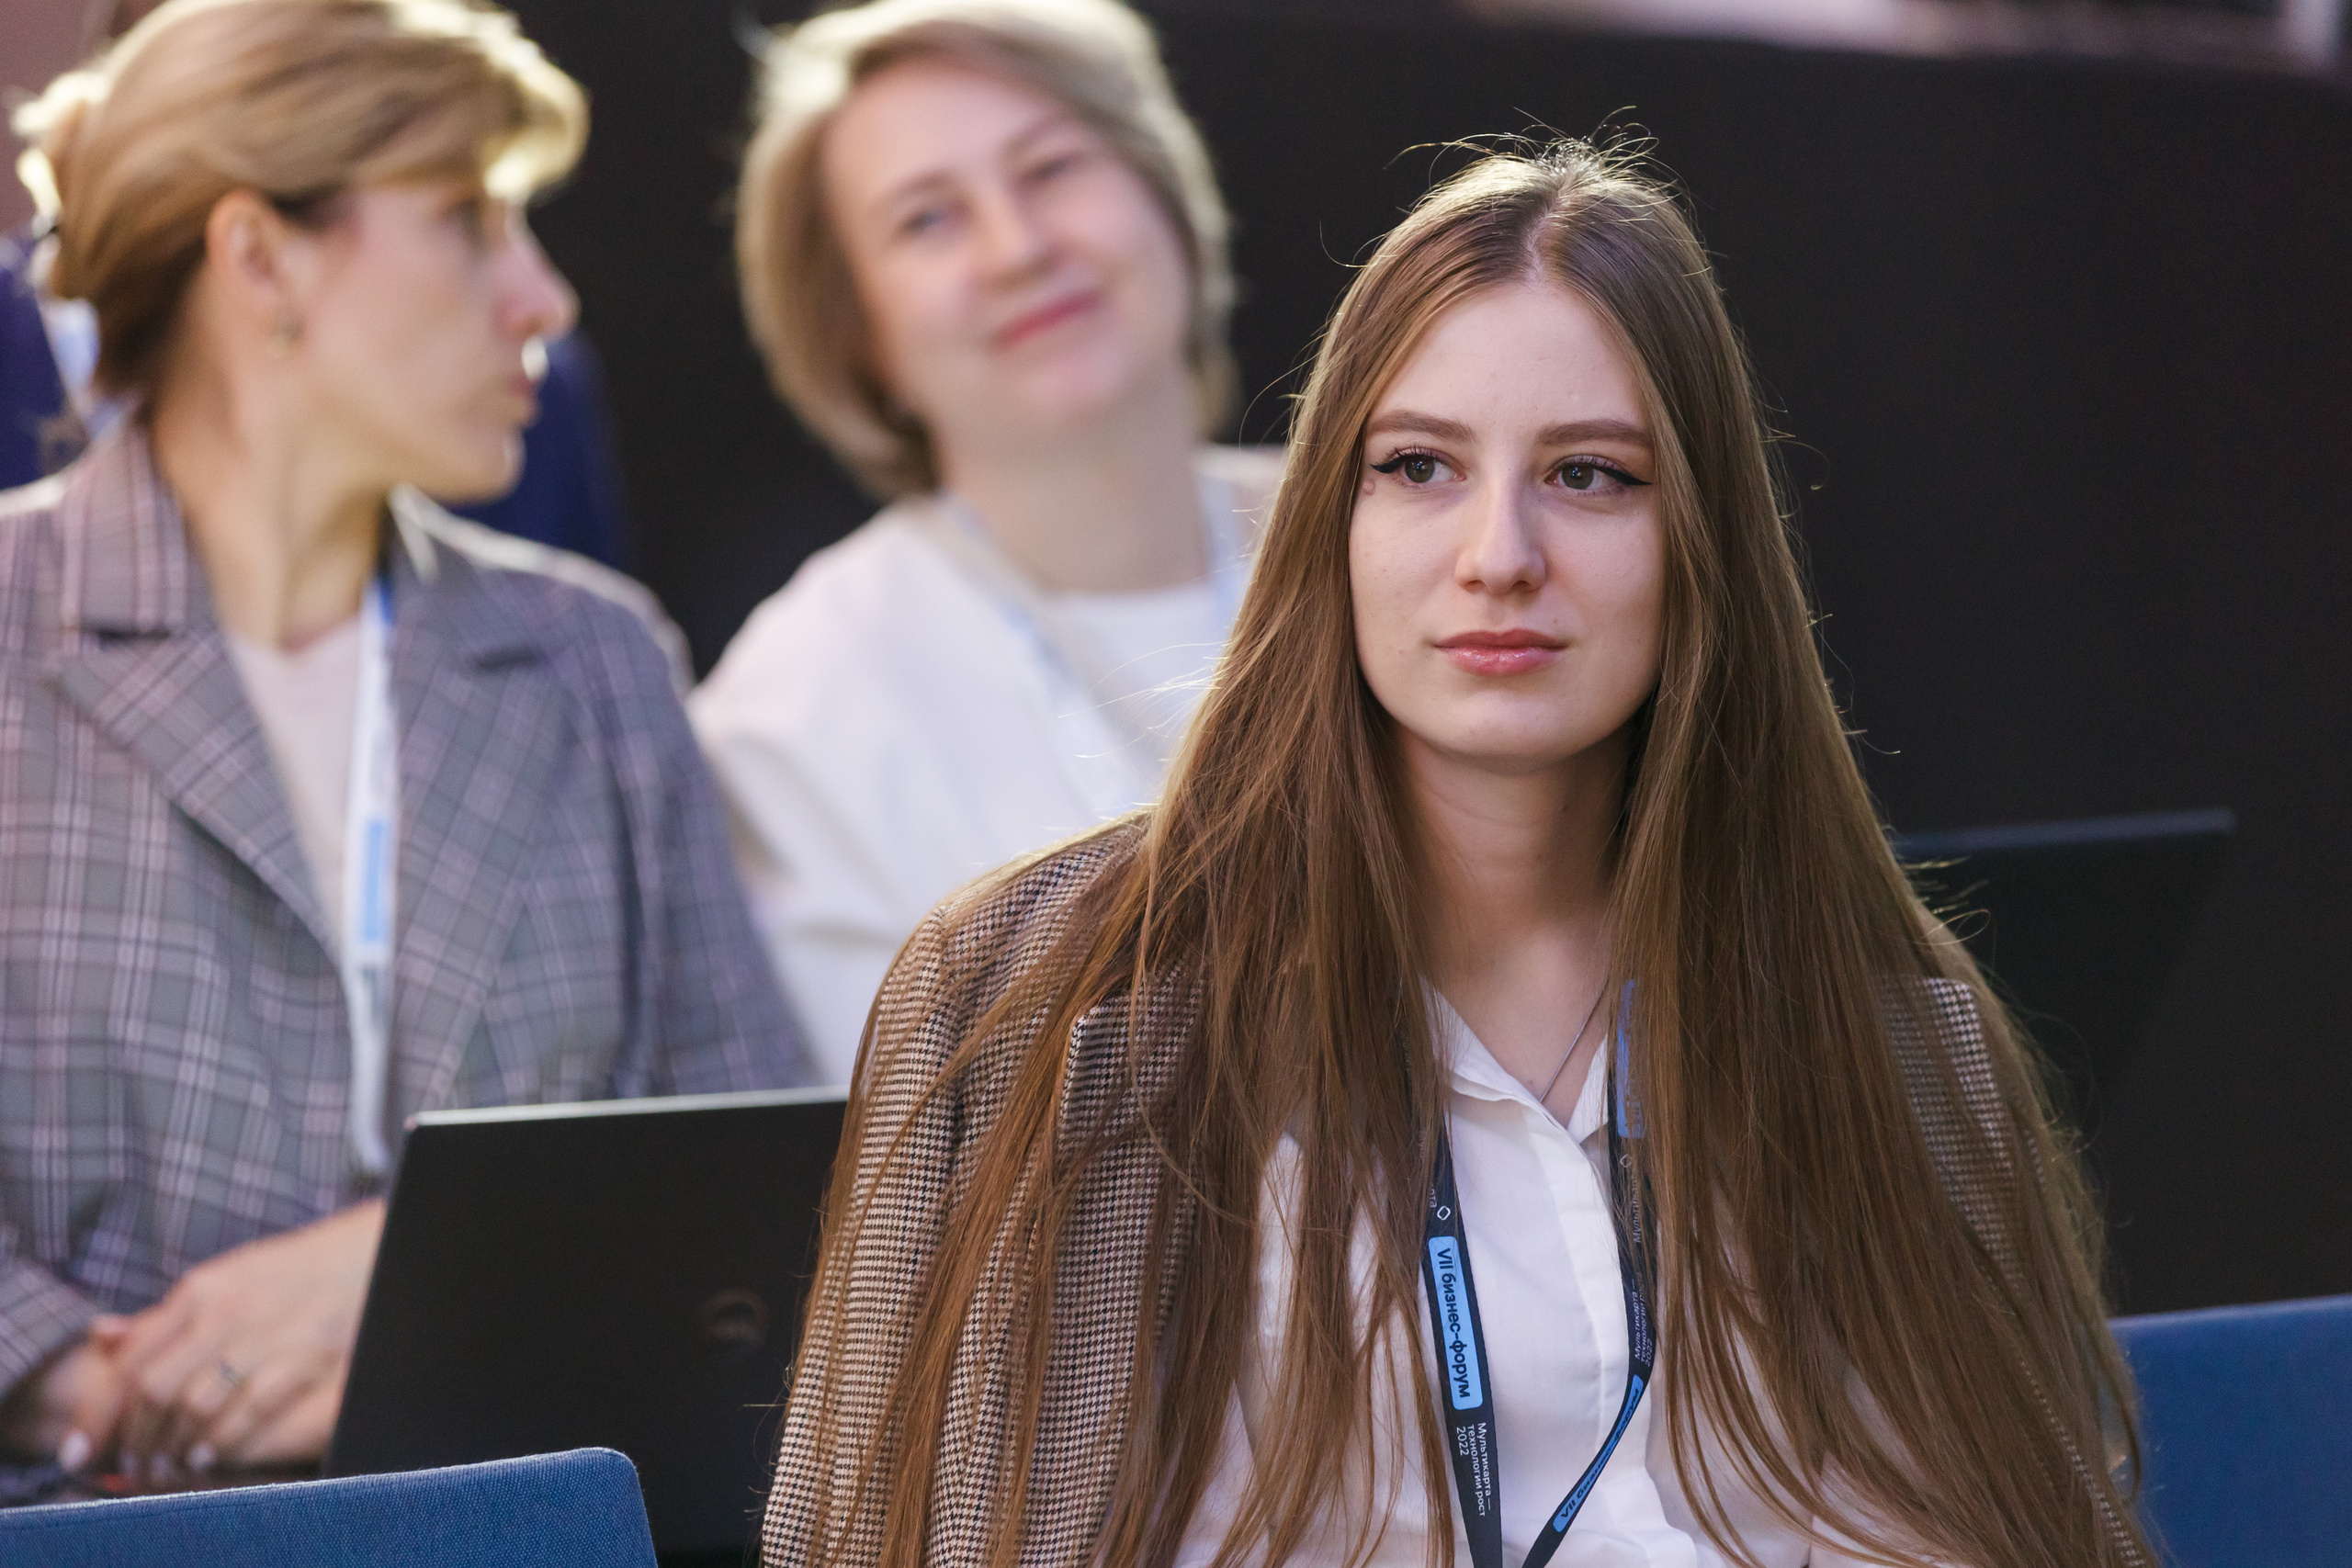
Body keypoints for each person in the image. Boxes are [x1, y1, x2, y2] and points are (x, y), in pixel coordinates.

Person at [758, 142, 2151, 1568]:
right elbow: (854, 1534)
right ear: (1329, 522)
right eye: (1418, 466)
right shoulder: (1040, 1004)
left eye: (1592, 476)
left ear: (1703, 541)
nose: (1500, 552)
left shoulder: (1895, 1040)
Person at [0, 0, 807, 1487]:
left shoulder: (597, 659)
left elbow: (763, 1196)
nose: (542, 296)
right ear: (259, 256)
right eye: (468, 218)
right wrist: (71, 1385)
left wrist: (401, 1273)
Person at [691, 0, 1280, 1083]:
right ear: (860, 335)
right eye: (928, 220)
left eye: (1052, 168)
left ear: (1163, 195)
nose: (1017, 248)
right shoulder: (794, 715)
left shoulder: (1403, 535)